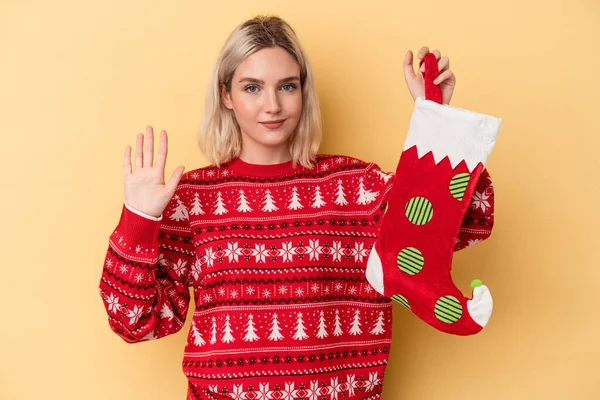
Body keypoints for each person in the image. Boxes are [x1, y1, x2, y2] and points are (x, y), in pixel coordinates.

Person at [98, 15, 496, 399]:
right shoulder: (194, 199)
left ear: (303, 91)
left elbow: (469, 221)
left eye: (286, 86)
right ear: (226, 96)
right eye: (252, 88)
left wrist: (438, 123)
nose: (272, 105)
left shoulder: (360, 189)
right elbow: (135, 322)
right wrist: (139, 219)